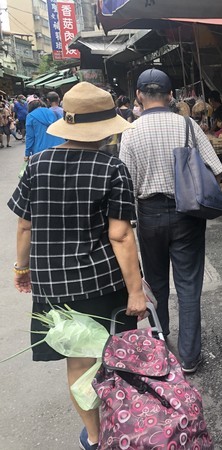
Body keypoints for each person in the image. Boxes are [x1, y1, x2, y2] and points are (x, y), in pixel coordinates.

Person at [7, 81, 146, 450]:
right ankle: (124, 426)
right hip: (103, 283)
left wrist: (23, 270)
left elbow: (24, 224)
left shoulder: (36, 165)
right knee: (116, 356)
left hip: (54, 287)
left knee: (78, 361)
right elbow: (120, 236)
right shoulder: (112, 168)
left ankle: (97, 437)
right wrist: (136, 291)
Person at [119, 68, 222, 374]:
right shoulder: (188, 125)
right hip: (188, 213)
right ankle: (190, 358)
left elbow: (127, 185)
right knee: (189, 286)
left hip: (148, 215)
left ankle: (160, 354)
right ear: (170, 96)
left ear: (139, 96)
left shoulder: (130, 133)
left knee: (157, 286)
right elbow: (215, 169)